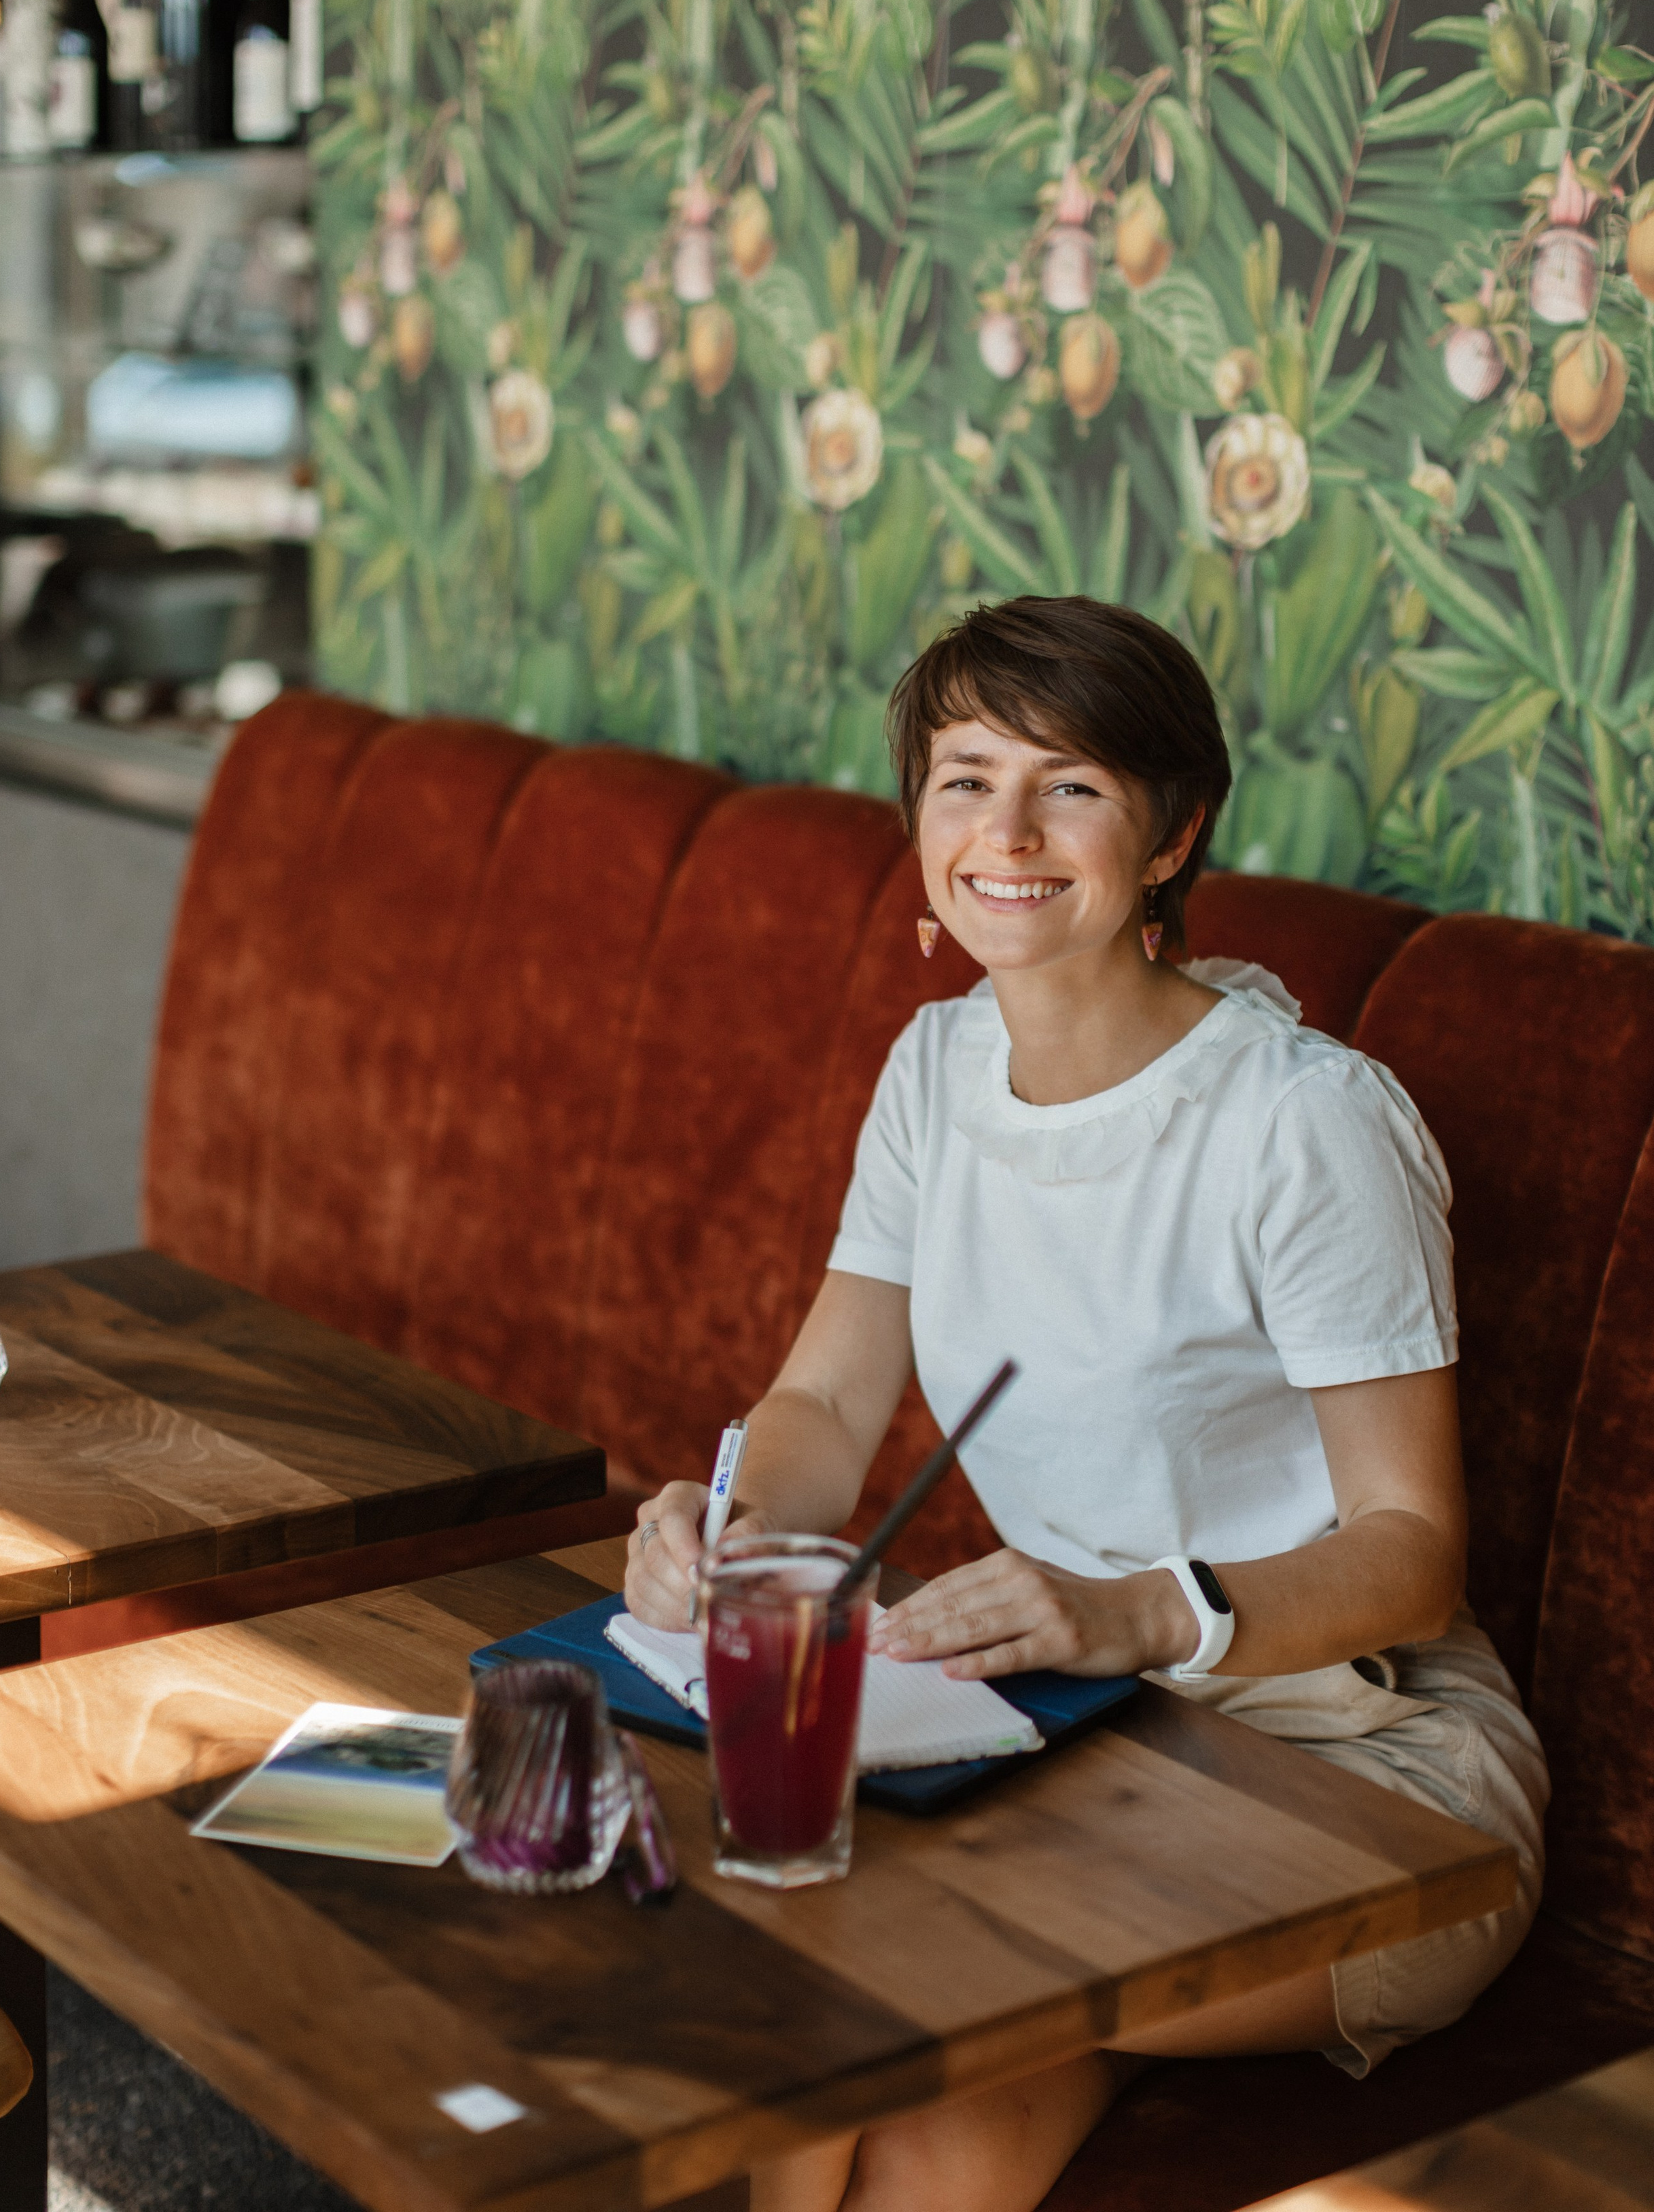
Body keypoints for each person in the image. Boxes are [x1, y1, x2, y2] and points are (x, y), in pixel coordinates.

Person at [625, 594, 1547, 2212]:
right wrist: (737, 1539)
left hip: (1360, 1771)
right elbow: (826, 1406)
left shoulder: (1303, 1122)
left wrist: (1129, 1612)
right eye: (964, 777)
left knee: (863, 1971)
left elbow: (1410, 1554)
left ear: (1173, 831)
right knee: (912, 2112)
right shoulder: (932, 1068)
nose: (1006, 831)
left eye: (1071, 786)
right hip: (1076, 1745)